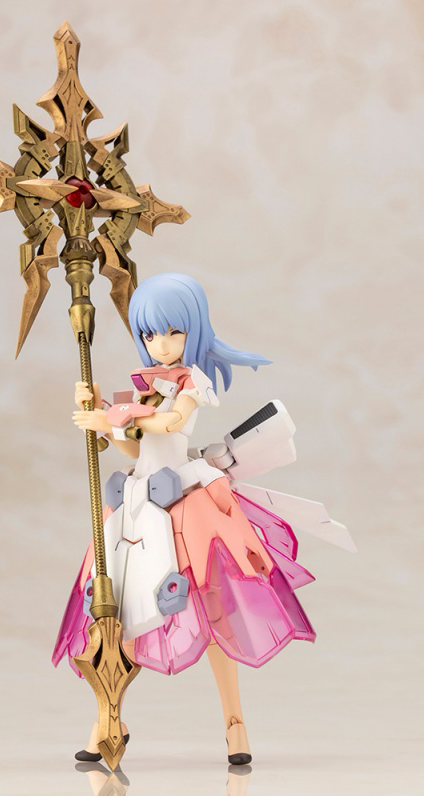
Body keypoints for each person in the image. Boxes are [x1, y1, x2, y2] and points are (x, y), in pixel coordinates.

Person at [54, 273, 318, 765]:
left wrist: (112, 418)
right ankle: (108, 719)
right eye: (151, 333)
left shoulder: (192, 382)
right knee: (117, 610)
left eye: (173, 332)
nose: (162, 343)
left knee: (214, 614)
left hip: (184, 504)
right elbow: (136, 448)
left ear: (193, 330)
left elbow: (171, 424)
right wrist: (103, 418)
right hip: (137, 502)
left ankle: (235, 724)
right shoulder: (146, 388)